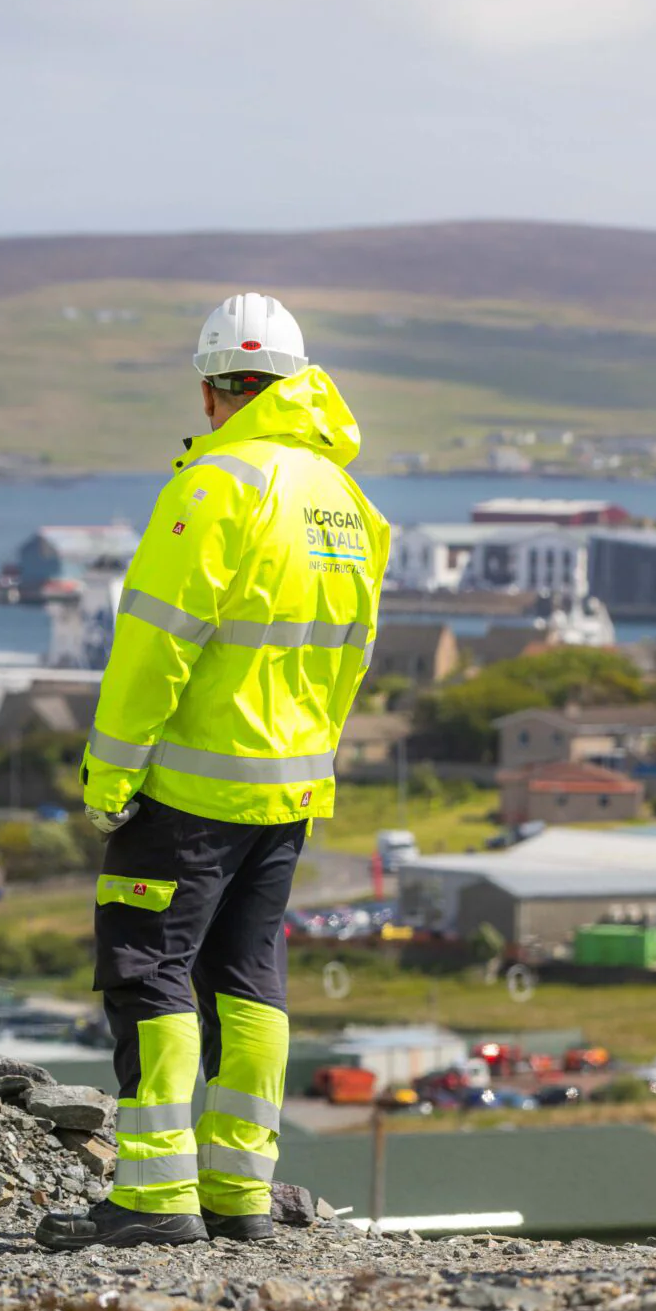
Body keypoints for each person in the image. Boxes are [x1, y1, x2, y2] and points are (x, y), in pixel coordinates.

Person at [37, 293, 389, 1252]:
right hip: (287, 791)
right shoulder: (345, 502)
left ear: (210, 391)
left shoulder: (216, 487)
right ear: (296, 382)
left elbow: (153, 648)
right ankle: (239, 1190)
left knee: (151, 971)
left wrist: (109, 778)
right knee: (249, 977)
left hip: (188, 794)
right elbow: (354, 654)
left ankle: (155, 1199)